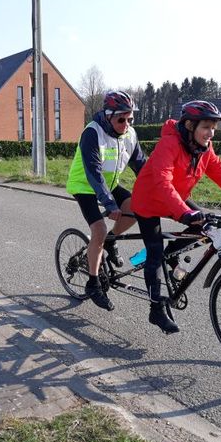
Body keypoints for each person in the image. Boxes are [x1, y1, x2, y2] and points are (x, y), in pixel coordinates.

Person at [131, 100, 221, 334]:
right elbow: (162, 182)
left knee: (206, 226)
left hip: (177, 198)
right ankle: (156, 309)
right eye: (206, 127)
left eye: (214, 128)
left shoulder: (204, 148)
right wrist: (185, 212)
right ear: (190, 125)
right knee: (154, 254)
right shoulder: (169, 144)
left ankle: (170, 256)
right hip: (149, 201)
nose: (211, 133)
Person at [66, 91, 146, 311]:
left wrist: (161, 193)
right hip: (85, 186)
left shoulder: (130, 135)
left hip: (108, 186)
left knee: (135, 208)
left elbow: (142, 168)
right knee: (98, 230)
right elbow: (94, 172)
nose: (127, 124)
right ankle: (93, 283)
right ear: (108, 115)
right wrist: (109, 204)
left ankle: (111, 239)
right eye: (122, 119)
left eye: (130, 119)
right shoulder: (92, 132)